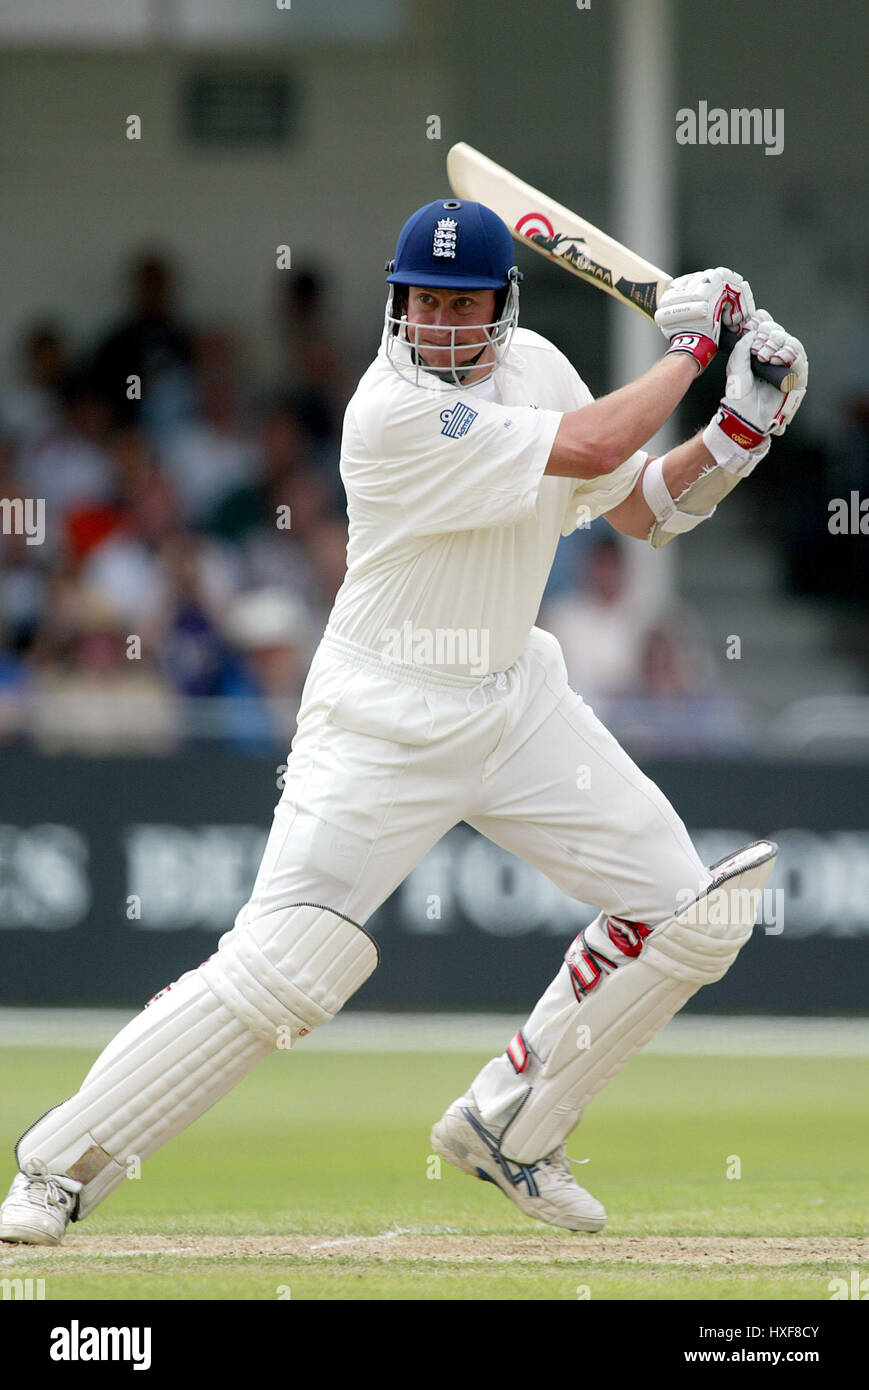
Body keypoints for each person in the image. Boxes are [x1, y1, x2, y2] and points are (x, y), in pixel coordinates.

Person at [0, 198, 806, 1244]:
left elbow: (639, 506)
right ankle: (55, 1170)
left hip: (515, 700)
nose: (438, 325)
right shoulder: (387, 413)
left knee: (686, 916)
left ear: (499, 308)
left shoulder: (541, 370)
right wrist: (694, 344)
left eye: (461, 305)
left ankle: (510, 1124)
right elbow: (601, 434)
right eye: (421, 303)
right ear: (395, 306)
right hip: (379, 719)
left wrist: (738, 428)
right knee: (282, 970)